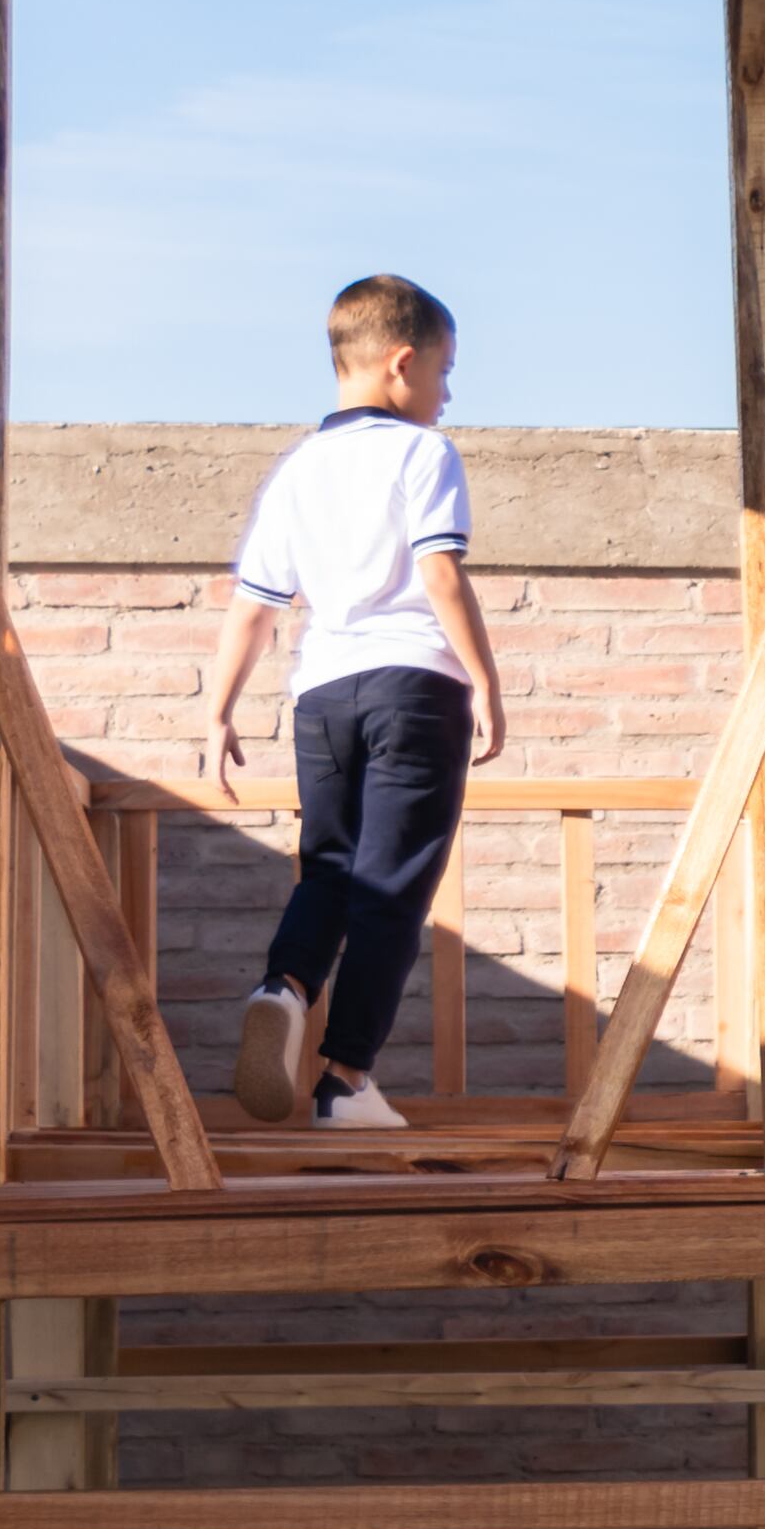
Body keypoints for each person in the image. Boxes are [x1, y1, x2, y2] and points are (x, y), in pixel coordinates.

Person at [198, 274, 508, 1130]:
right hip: (415, 686)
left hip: (323, 693)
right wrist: (484, 679)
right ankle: (344, 1081)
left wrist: (218, 710)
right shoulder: (423, 454)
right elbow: (441, 573)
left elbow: (256, 605)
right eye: (445, 372)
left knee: (330, 866)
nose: (448, 394)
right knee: (394, 887)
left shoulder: (298, 470)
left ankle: (284, 986)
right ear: (402, 364)